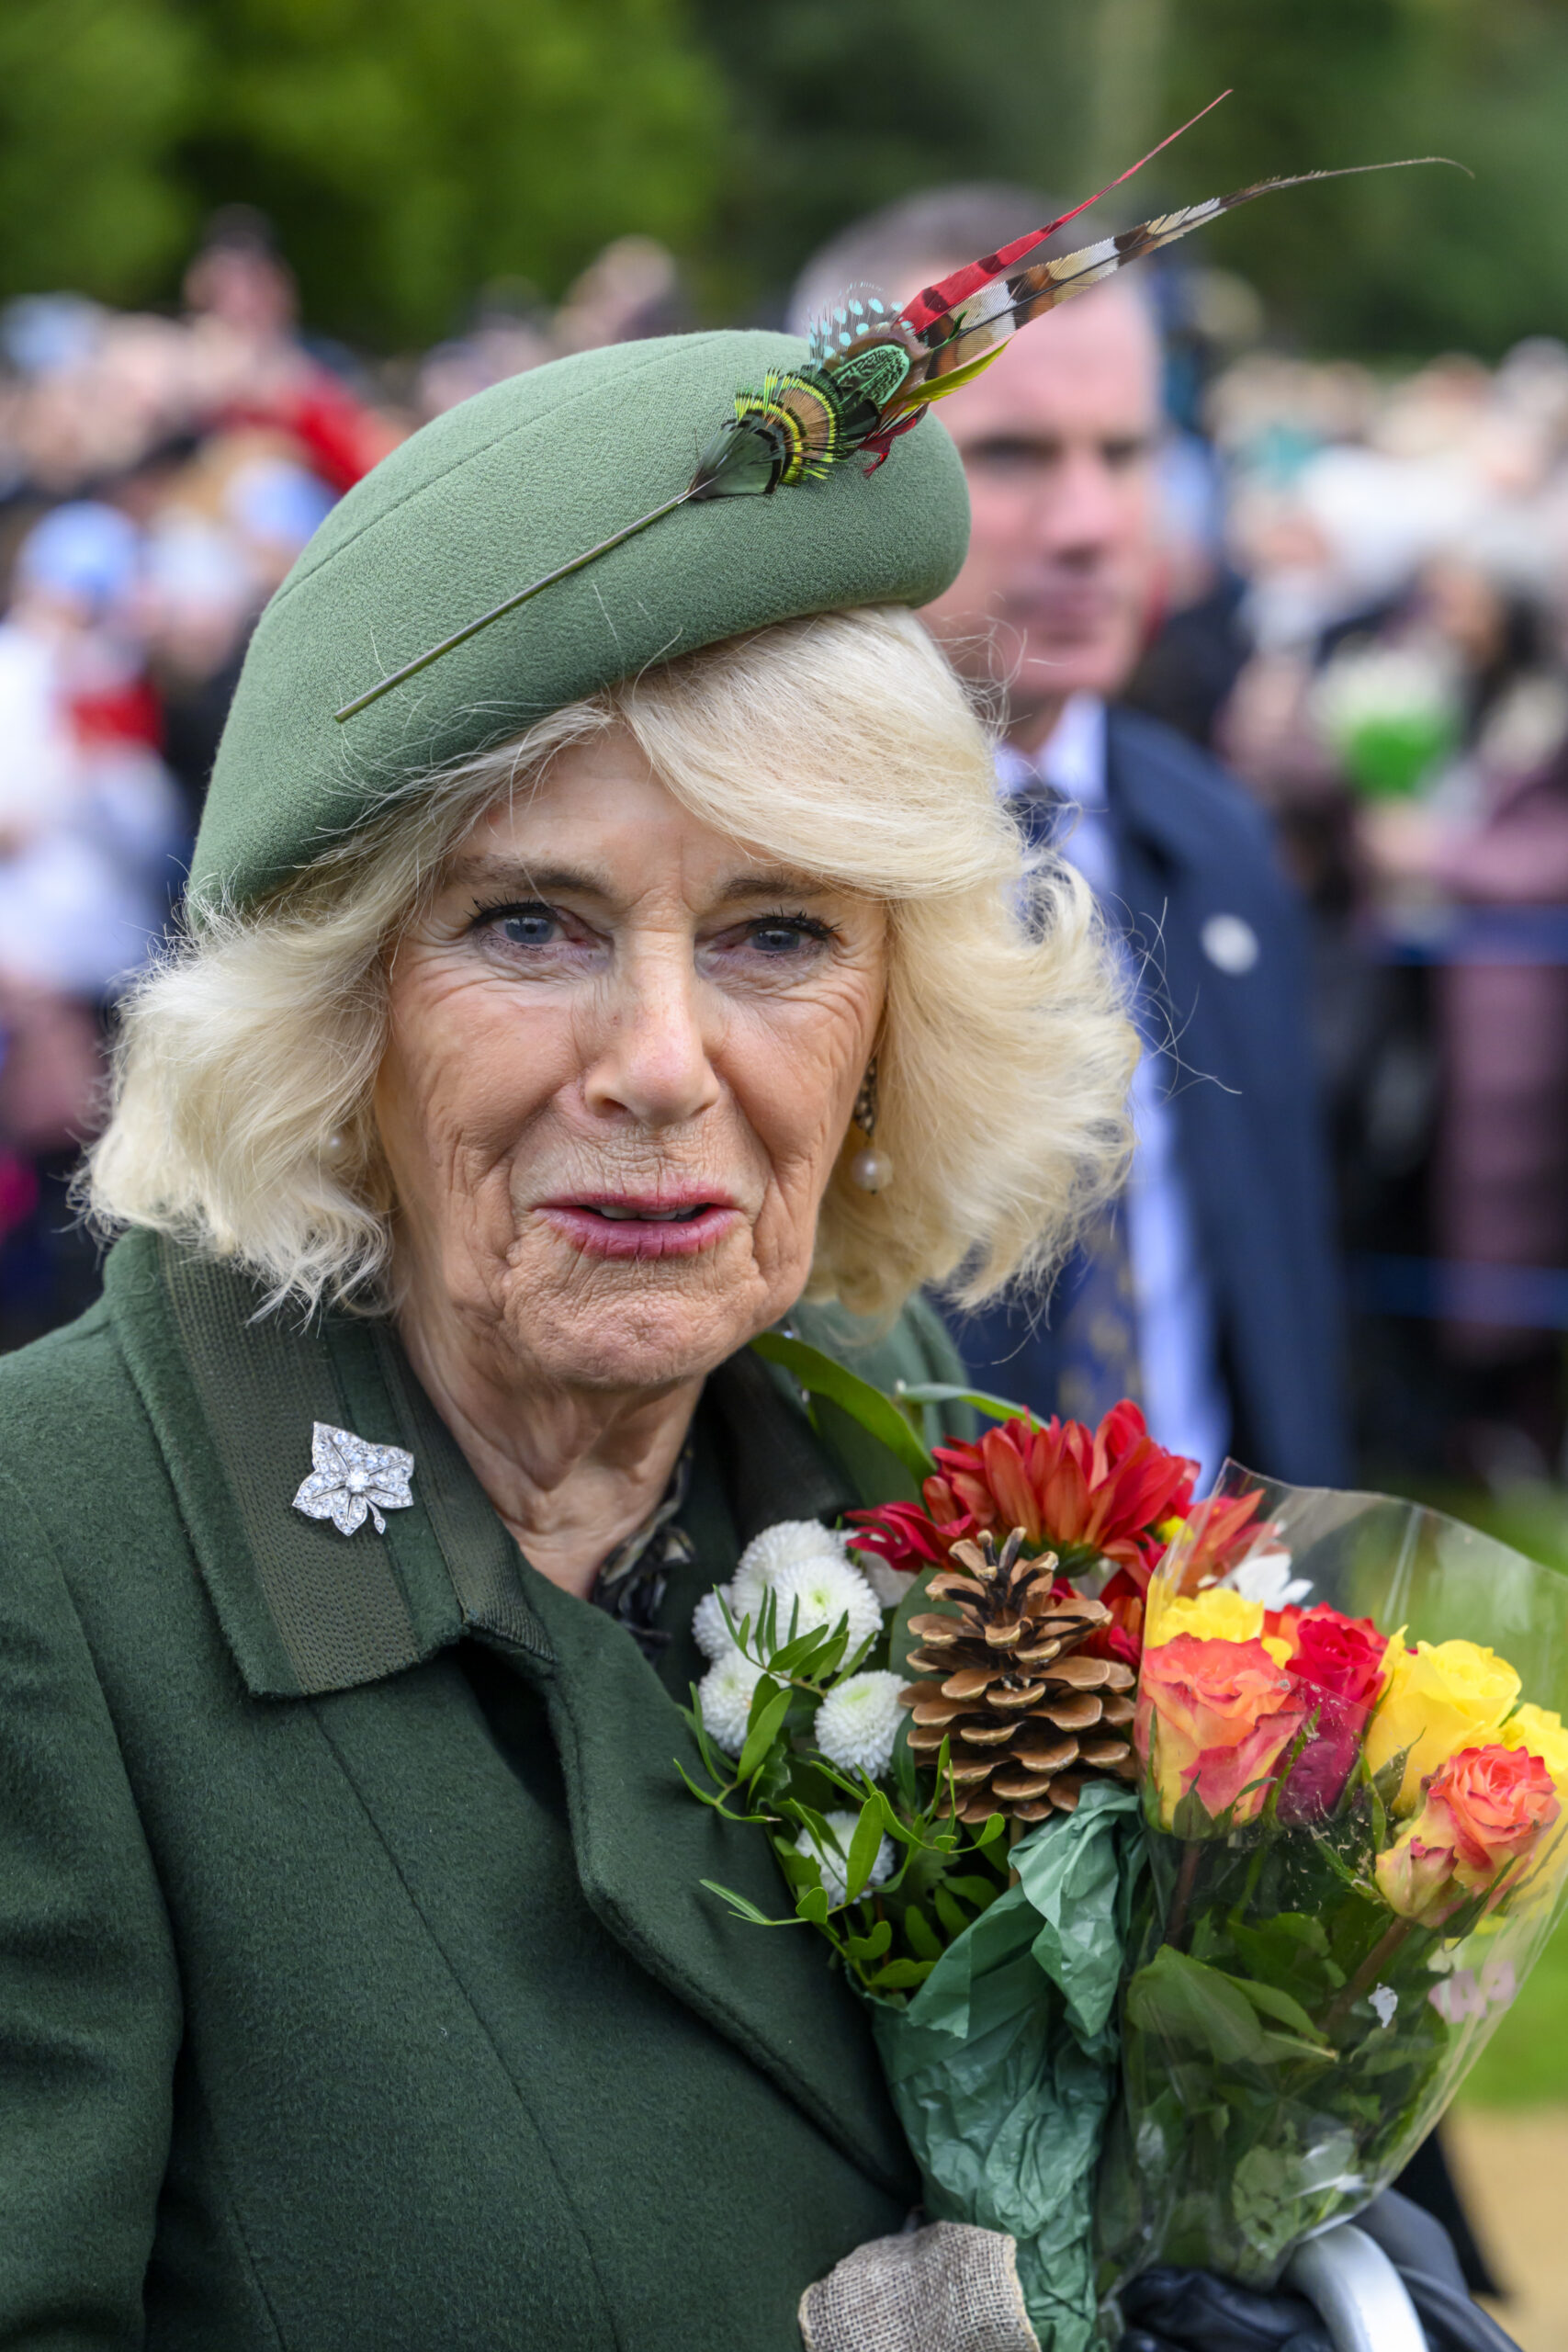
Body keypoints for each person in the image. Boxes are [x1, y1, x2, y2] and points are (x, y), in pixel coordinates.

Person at [0, 326, 1142, 2347]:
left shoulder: (928, 1507)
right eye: (531, 923)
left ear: (898, 1025)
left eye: (779, 933)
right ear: (339, 1012)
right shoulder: (53, 1563)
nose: (657, 1062)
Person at [794, 189, 1348, 1491]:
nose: (1094, 522)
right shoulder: (755, 863)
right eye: (1013, 454)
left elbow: (1274, 1307)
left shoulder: (1214, 838)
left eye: (1129, 448)